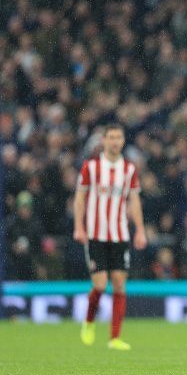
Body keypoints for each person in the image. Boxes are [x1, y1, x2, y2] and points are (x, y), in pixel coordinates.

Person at [73, 124, 147, 350]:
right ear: (103, 140)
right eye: (111, 137)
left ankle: (114, 338)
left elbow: (134, 201)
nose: (115, 141)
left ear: (123, 141)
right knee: (100, 284)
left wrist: (140, 230)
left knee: (119, 285)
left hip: (120, 234)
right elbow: (80, 198)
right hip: (96, 234)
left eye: (119, 137)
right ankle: (88, 322)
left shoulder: (129, 169)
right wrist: (79, 227)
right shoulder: (91, 167)